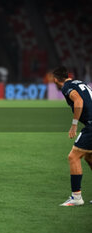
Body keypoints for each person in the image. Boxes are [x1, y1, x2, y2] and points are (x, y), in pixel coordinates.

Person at [52, 66, 92, 206]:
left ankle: (76, 197)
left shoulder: (66, 87)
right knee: (88, 156)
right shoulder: (79, 82)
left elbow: (79, 101)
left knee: (73, 156)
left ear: (56, 80)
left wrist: (74, 124)